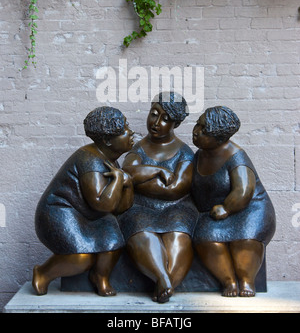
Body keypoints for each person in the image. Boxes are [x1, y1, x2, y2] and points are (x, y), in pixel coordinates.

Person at [32, 106, 134, 296]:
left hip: (89, 215)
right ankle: (43, 273)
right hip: (58, 212)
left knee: (113, 241)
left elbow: (120, 208)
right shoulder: (91, 160)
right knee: (81, 257)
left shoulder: (110, 161)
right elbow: (102, 203)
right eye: (124, 129)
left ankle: (100, 277)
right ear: (107, 141)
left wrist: (127, 184)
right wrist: (119, 180)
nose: (131, 132)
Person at [119, 92, 198, 303]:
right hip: (140, 206)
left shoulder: (184, 152)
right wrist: (156, 171)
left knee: (178, 233)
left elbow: (177, 189)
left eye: (165, 119)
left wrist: (141, 178)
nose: (156, 122)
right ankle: (162, 278)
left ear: (176, 123)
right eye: (154, 114)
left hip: (178, 206)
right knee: (141, 230)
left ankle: (168, 282)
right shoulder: (138, 148)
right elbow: (127, 173)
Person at [191, 106, 276, 297]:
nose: (196, 131)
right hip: (214, 213)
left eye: (203, 130)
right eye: (198, 124)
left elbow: (244, 190)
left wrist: (226, 209)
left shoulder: (236, 156)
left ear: (220, 138)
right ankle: (228, 281)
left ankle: (247, 280)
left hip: (249, 209)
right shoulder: (199, 156)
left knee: (245, 240)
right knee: (205, 238)